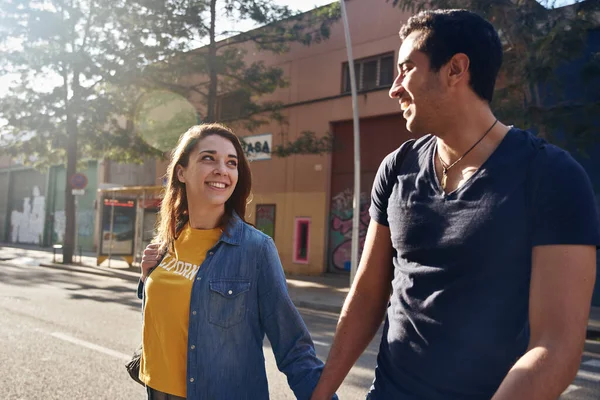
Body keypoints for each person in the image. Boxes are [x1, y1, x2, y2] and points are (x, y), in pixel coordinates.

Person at [311, 9, 600, 400]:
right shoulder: (397, 167)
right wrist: (321, 392)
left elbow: (556, 348)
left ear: (455, 69)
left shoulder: (551, 176)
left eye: (406, 69)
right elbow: (367, 294)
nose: (394, 88)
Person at [137, 123, 336, 400]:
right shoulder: (168, 240)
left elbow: (293, 346)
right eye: (209, 158)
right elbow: (166, 316)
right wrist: (146, 278)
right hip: (156, 392)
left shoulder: (255, 249)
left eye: (231, 163)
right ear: (181, 172)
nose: (222, 169)